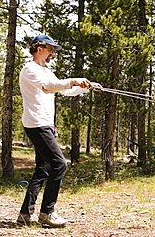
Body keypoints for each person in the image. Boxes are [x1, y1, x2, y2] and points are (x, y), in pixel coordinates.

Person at [17, 34, 101, 227]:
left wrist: (86, 87)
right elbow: (48, 87)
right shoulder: (30, 70)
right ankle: (47, 212)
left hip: (45, 124)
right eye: (50, 49)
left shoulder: (46, 71)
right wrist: (74, 80)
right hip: (37, 124)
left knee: (43, 169)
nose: (52, 52)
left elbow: (63, 89)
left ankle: (25, 214)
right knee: (59, 164)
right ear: (39, 49)